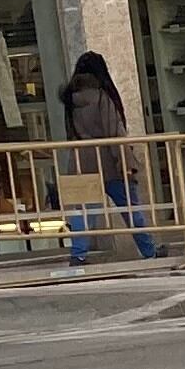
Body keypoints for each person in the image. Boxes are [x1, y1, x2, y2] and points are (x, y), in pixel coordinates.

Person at [56, 51, 159, 266]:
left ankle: (78, 254)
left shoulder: (70, 99)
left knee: (84, 212)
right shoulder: (103, 96)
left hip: (81, 162)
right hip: (110, 163)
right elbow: (115, 132)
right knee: (130, 208)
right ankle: (149, 250)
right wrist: (126, 163)